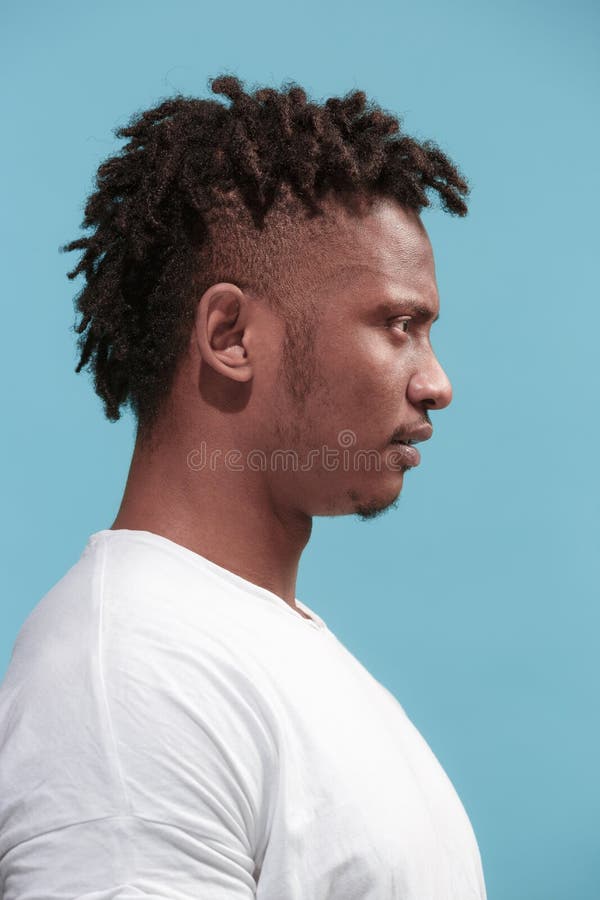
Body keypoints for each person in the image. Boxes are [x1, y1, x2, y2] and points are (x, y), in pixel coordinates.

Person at [0, 74, 487, 898]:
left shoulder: (256, 653)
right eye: (398, 326)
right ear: (229, 336)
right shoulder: (133, 684)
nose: (436, 382)